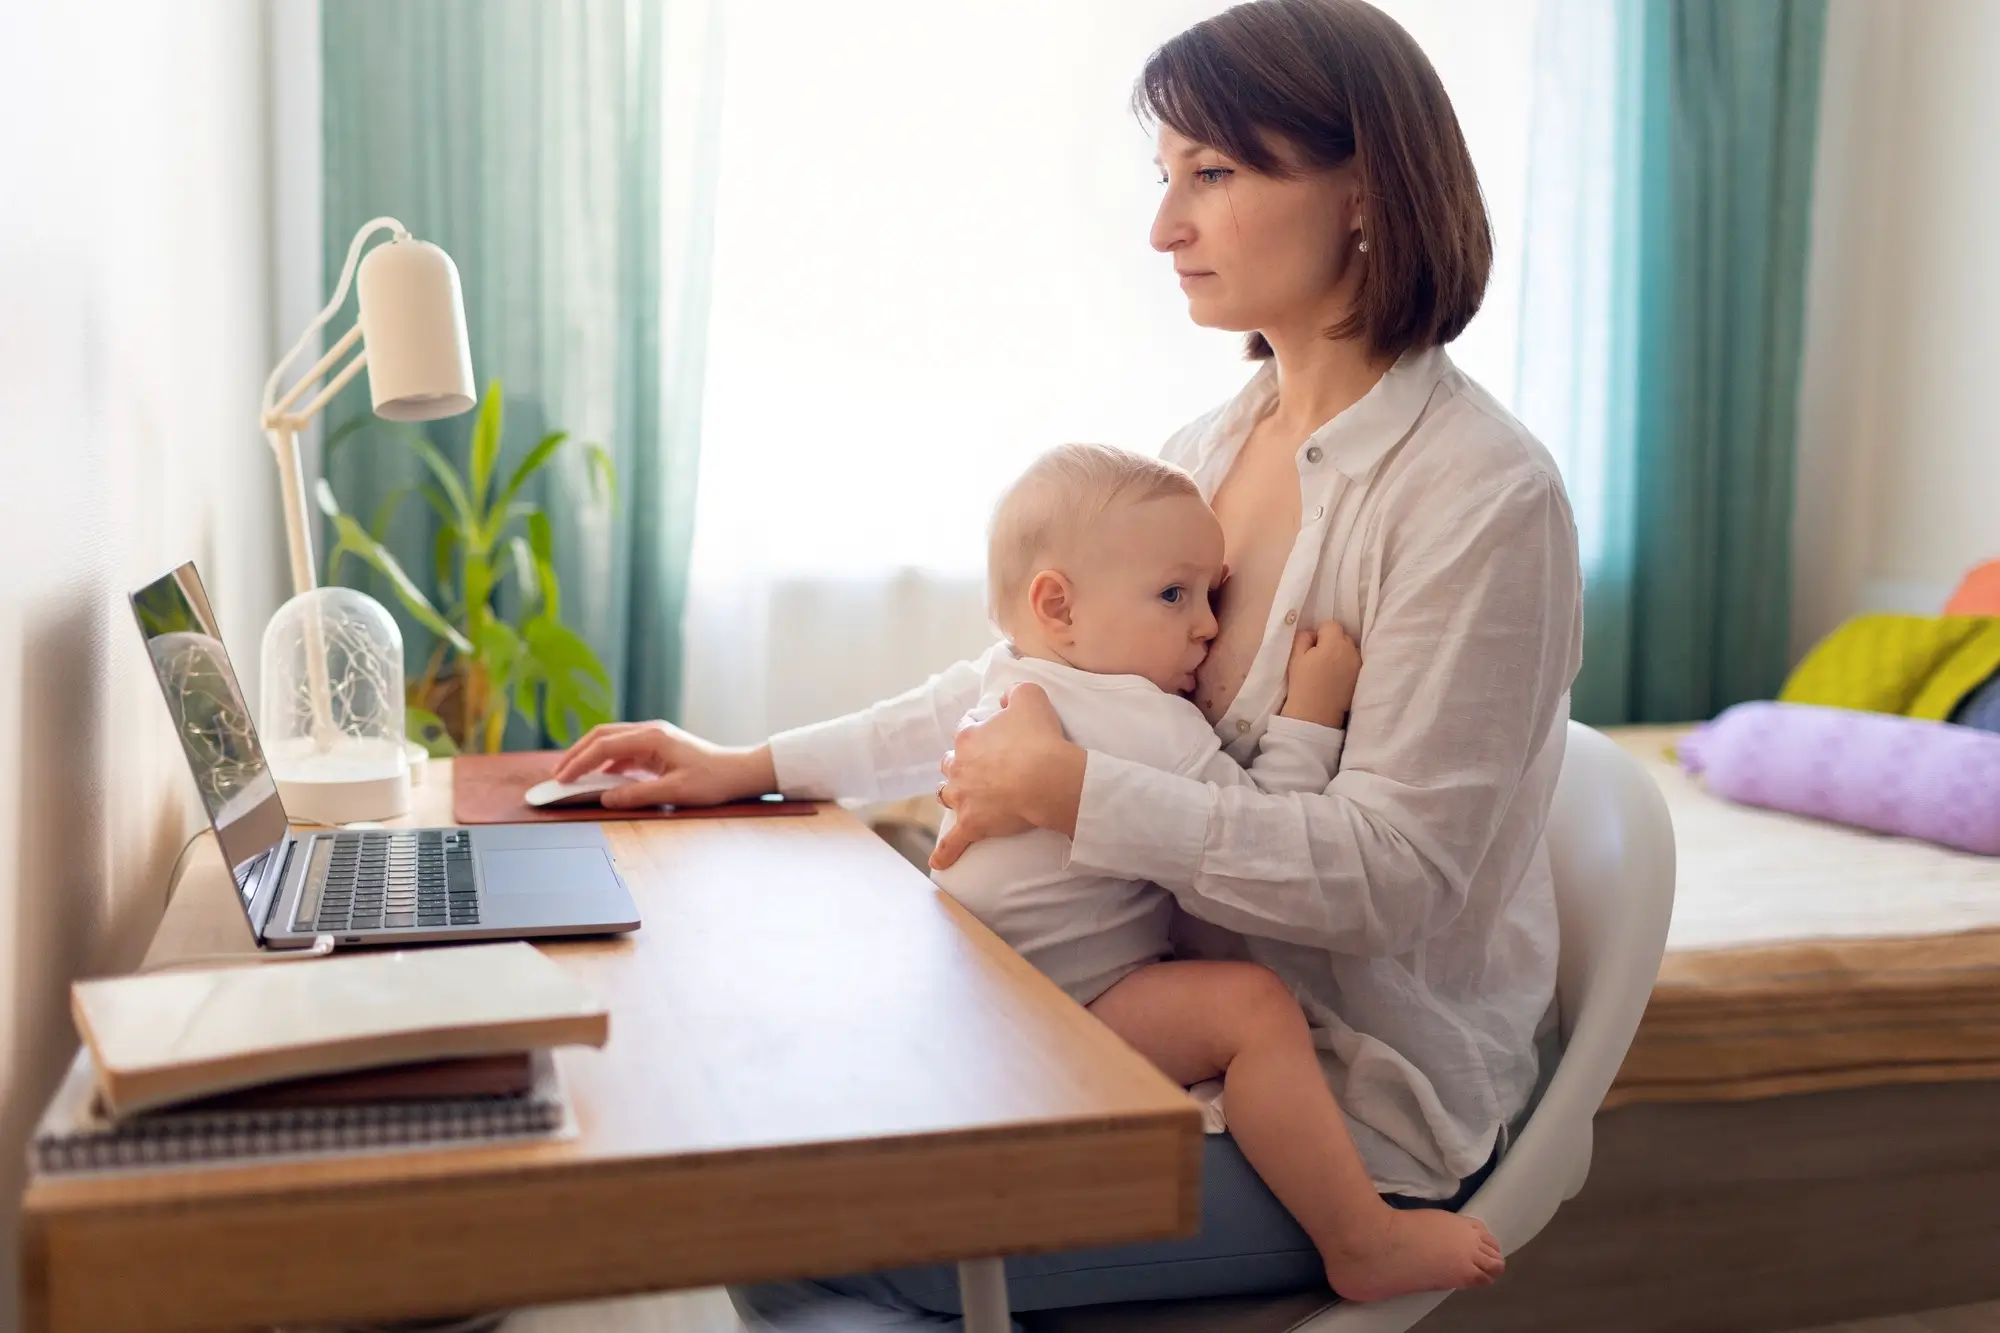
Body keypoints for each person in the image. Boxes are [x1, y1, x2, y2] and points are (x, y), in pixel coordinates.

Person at [553, 0, 1583, 1318]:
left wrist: (1067, 792)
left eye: (1212, 173)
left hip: (1338, 1111)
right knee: (766, 1157)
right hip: (1128, 1025)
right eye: (1165, 177)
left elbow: (1394, 880)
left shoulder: (1482, 502)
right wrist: (743, 762)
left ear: (1365, 186)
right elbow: (1028, 684)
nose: (1164, 228)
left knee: (816, 1230)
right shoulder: (1208, 449)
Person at [928, 439, 1503, 1301]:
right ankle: (1363, 1238)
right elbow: (1266, 821)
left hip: (975, 995)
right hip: (1058, 1010)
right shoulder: (1150, 720)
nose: (1207, 624)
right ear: (1059, 605)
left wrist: (756, 765)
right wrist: (1311, 713)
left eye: (1213, 595)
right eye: (1176, 595)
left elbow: (899, 728)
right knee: (1253, 1010)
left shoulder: (1009, 677)